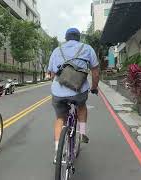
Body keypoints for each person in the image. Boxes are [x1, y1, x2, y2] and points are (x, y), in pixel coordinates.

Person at [47, 28, 100, 162]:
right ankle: (82, 133)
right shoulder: (87, 48)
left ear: (66, 38)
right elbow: (95, 72)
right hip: (79, 91)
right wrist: (94, 87)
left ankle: (57, 151)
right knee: (81, 106)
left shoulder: (56, 50)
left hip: (58, 92)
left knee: (60, 118)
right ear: (79, 38)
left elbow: (52, 75)